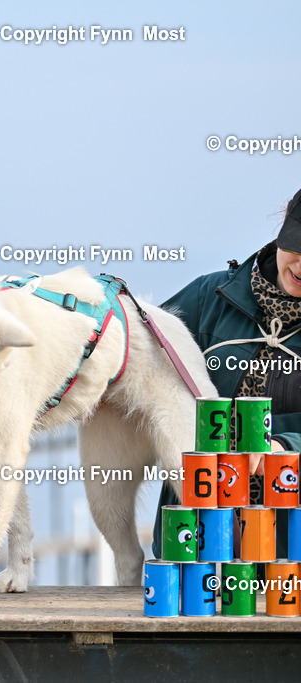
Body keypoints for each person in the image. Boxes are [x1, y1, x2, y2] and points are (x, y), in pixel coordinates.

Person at [151, 187, 301, 558]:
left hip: (288, 557)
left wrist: (286, 447)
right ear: (282, 231)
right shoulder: (208, 296)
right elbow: (140, 355)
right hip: (194, 541)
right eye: (297, 247)